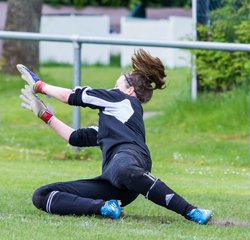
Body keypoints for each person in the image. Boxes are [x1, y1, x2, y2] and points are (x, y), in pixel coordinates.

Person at [17, 49, 213, 224]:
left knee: (124, 169)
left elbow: (71, 97)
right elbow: (74, 137)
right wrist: (45, 115)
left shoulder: (122, 99)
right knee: (42, 195)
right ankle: (104, 208)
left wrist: (39, 85)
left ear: (129, 91)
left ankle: (192, 211)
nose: (111, 90)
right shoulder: (114, 122)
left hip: (129, 161)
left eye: (115, 86)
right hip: (116, 183)